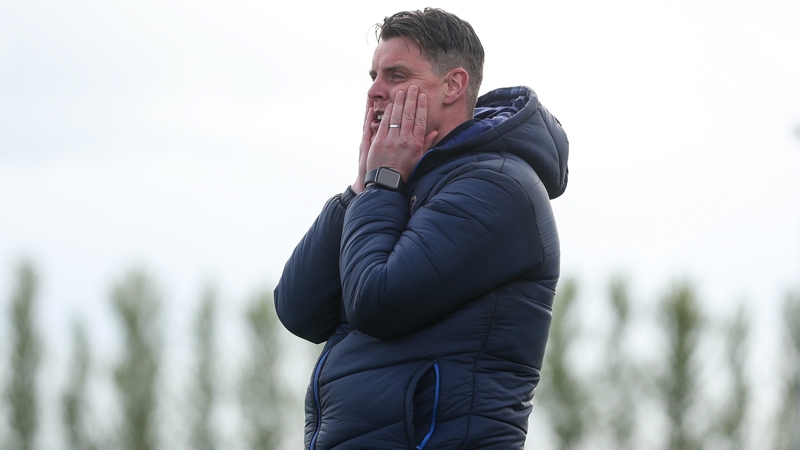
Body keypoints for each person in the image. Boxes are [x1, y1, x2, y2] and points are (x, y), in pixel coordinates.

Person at [274, 8, 568, 450]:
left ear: (453, 85)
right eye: (373, 75)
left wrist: (383, 182)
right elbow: (299, 308)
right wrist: (361, 186)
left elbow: (377, 300)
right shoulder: (397, 185)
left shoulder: (498, 187)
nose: (374, 91)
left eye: (395, 75)